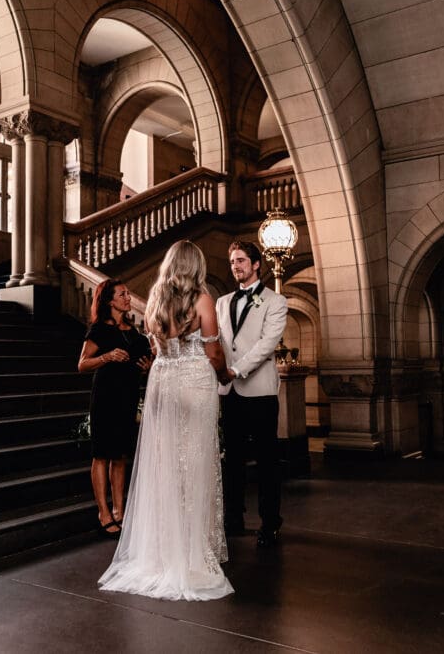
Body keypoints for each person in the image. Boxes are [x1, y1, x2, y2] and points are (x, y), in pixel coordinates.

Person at [98, 240, 234, 601]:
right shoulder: (202, 299)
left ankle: (161, 551)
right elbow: (214, 351)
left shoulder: (155, 298)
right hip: (194, 381)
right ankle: (190, 554)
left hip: (163, 381)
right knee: (197, 464)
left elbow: (157, 348)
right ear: (197, 265)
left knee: (166, 466)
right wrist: (224, 376)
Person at [216, 240, 288, 548]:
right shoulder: (221, 302)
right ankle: (234, 517)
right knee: (232, 458)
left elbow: (266, 344)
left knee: (266, 460)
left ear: (256, 264)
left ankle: (270, 522)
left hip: (259, 392)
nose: (236, 266)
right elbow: (218, 342)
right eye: (233, 261)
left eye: (241, 260)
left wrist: (235, 370)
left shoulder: (275, 301)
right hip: (228, 391)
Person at [78, 279, 152, 538]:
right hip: (105, 399)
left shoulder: (134, 333)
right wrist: (107, 357)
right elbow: (82, 364)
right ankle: (103, 512)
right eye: (123, 294)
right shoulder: (99, 330)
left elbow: (144, 362)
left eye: (128, 293)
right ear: (110, 300)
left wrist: (146, 367)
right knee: (102, 455)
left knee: (120, 456)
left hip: (127, 397)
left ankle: (119, 510)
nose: (128, 297)